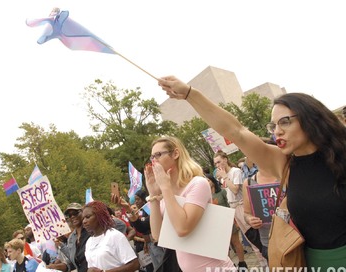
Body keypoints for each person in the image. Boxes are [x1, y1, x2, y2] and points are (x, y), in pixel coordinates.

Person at [157, 76, 346, 269]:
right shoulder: (284, 163)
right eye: (273, 126)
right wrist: (190, 94)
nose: (277, 132)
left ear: (310, 118)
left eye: (285, 122)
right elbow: (236, 131)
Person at [145, 136, 235, 271]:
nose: (154, 161)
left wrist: (165, 188)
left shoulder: (197, 183)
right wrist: (153, 194)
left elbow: (183, 228)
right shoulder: (165, 193)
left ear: (175, 153)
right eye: (152, 157)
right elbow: (157, 235)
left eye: (158, 155)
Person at [113, 190, 165, 272]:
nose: (136, 202)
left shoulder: (152, 208)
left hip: (159, 244)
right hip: (150, 244)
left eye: (138, 199)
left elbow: (145, 226)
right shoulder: (143, 211)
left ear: (144, 199)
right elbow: (140, 228)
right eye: (135, 199)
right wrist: (128, 209)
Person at [82, 200, 139, 272]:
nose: (84, 221)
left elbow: (135, 264)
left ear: (99, 216)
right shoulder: (89, 242)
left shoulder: (115, 236)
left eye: (88, 217)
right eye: (83, 218)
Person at [205, 174, 247, 269]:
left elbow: (228, 206)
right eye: (205, 181)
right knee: (224, 247)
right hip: (216, 224)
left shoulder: (222, 192)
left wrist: (233, 221)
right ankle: (230, 265)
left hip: (227, 220)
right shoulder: (206, 195)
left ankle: (242, 263)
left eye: (208, 180)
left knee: (236, 242)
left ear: (212, 181)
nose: (207, 182)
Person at [57, 203, 90, 272]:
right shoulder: (71, 238)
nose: (72, 216)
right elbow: (74, 259)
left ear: (83, 212)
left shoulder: (91, 231)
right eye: (69, 215)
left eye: (75, 213)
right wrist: (60, 245)